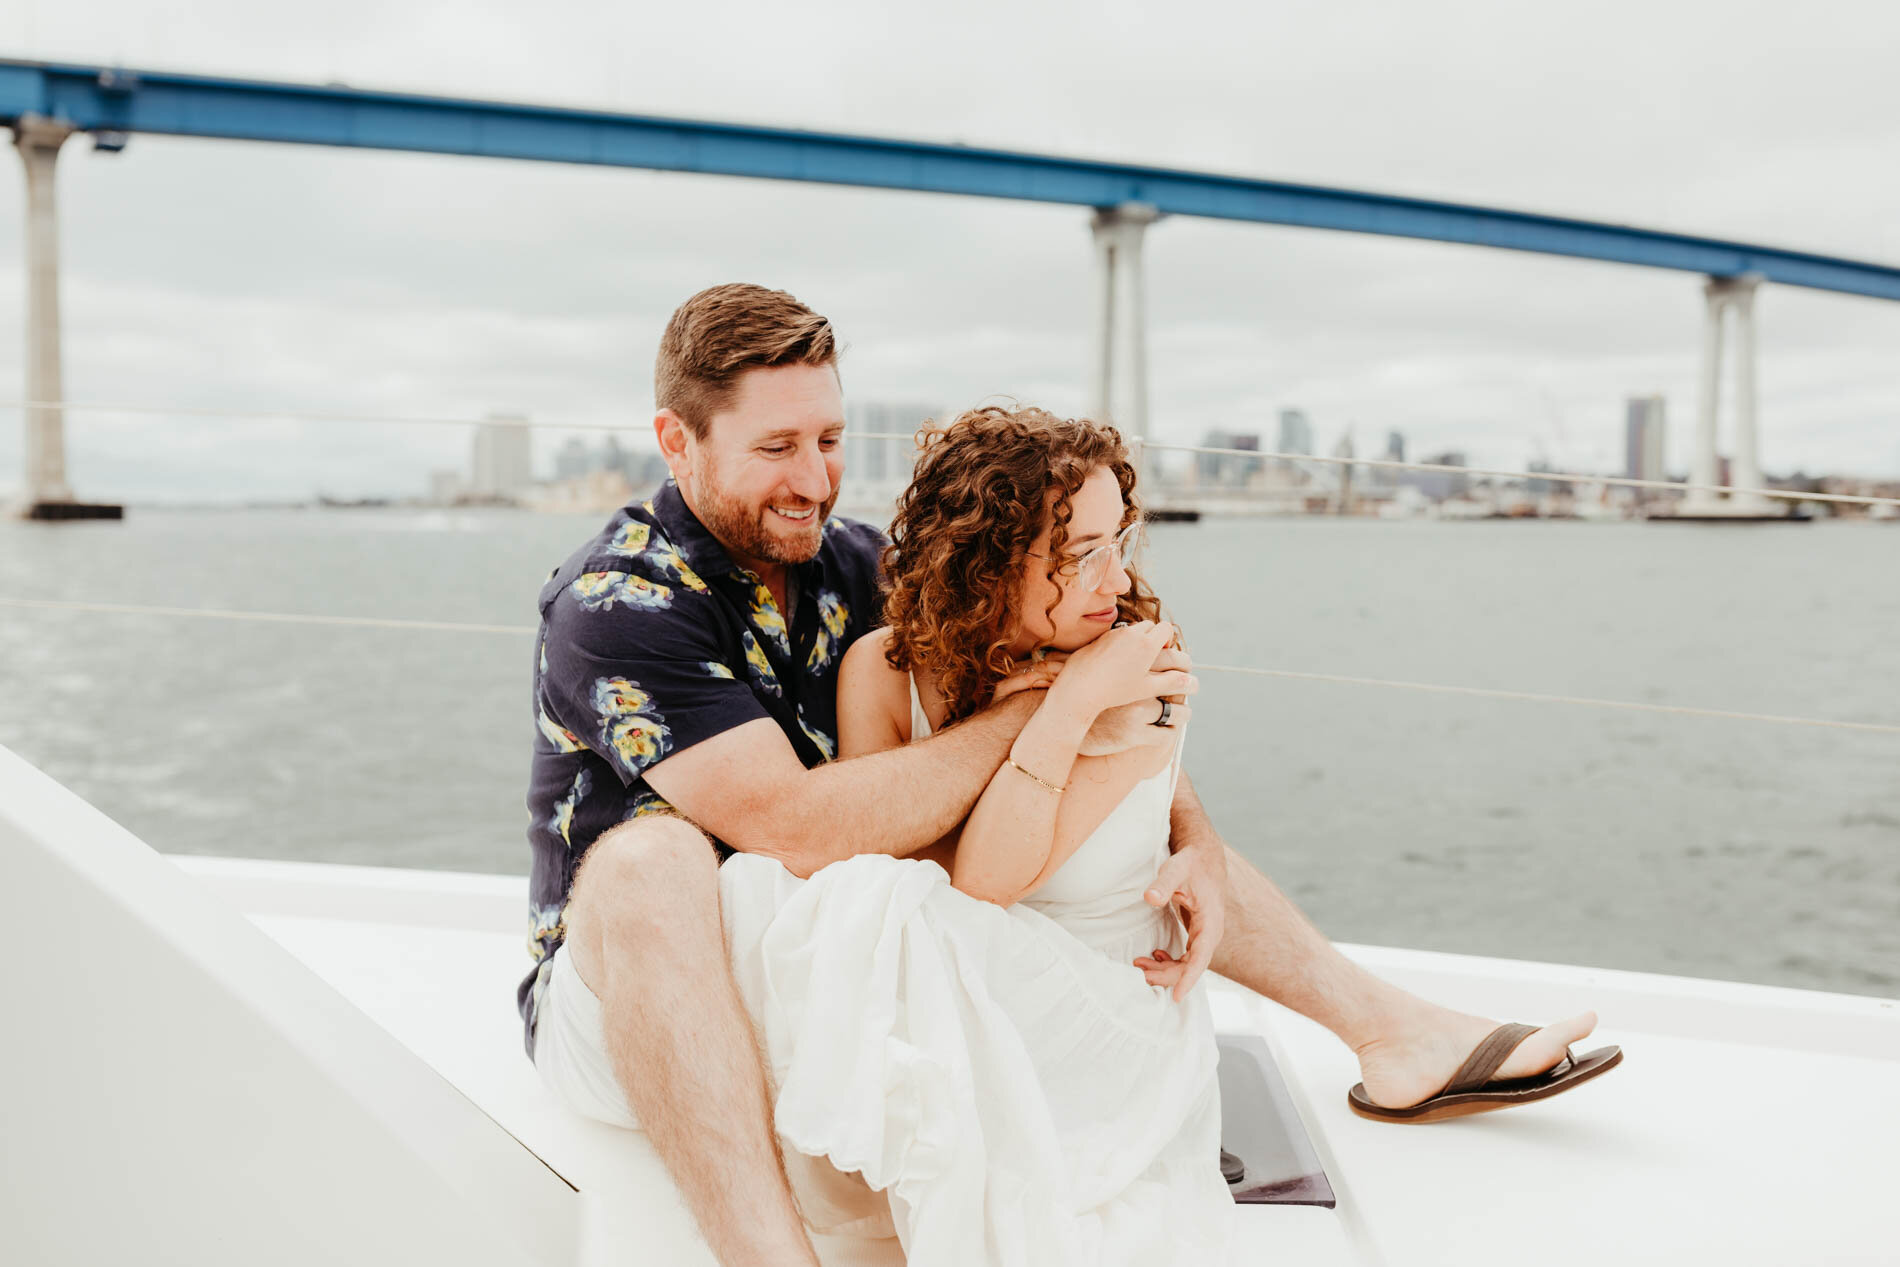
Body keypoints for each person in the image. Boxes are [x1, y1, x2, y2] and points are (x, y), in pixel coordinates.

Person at [521, 283, 1609, 1267]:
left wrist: (1194, 838)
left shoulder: (852, 560)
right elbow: (792, 828)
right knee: (647, 858)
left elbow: (1064, 668)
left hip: (835, 954)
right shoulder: (620, 605)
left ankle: (1390, 1031)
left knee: (1053, 840)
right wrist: (1051, 706)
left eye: (832, 438)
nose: (815, 479)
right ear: (676, 439)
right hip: (648, 1002)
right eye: (776, 448)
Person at [718, 406, 1233, 1264]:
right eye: (1081, 554)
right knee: (780, 889)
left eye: (1120, 542)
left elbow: (985, 881)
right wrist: (1061, 713)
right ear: (989, 564)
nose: (1114, 580)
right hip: (972, 980)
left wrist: (1071, 706)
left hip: (1101, 1018)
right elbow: (898, 874)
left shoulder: (1134, 665)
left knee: (866, 905)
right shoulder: (882, 670)